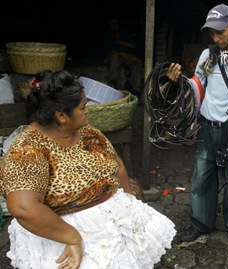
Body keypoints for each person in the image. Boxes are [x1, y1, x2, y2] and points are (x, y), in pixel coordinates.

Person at [0, 70, 176, 269]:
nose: (88, 110)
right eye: (83, 107)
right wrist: (72, 238)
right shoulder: (28, 152)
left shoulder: (86, 132)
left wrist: (131, 202)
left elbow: (116, 163)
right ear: (61, 116)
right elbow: (24, 207)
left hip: (111, 225)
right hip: (62, 234)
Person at [166, 4, 228, 249]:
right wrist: (177, 84)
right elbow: (196, 86)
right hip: (207, 126)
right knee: (202, 178)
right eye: (212, 33)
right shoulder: (207, 55)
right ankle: (200, 224)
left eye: (221, 32)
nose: (216, 38)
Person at [103, 18, 143, 94]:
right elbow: (109, 50)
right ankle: (113, 81)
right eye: (112, 24)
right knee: (114, 58)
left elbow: (133, 46)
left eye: (116, 23)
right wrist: (121, 55)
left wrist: (122, 44)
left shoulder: (125, 34)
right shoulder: (108, 36)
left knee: (136, 66)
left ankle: (136, 89)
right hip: (116, 57)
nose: (115, 26)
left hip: (128, 57)